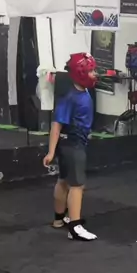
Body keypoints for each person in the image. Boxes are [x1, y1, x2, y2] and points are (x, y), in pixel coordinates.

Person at [43, 53, 98, 241]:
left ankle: (59, 219)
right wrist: (51, 152)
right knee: (77, 185)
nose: (94, 74)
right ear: (80, 73)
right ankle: (75, 227)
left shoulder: (84, 92)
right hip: (72, 145)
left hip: (73, 143)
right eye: (90, 71)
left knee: (64, 181)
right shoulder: (69, 97)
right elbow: (56, 125)